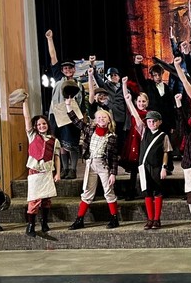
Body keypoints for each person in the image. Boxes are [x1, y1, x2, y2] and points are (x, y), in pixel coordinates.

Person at [65, 97, 120, 230]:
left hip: (103, 166)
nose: (101, 119)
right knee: (87, 192)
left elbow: (113, 157)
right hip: (91, 165)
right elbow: (76, 121)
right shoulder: (90, 130)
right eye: (99, 117)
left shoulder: (112, 137)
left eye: (104, 117)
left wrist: (113, 173)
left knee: (108, 191)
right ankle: (79, 219)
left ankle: (114, 218)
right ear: (95, 120)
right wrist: (68, 106)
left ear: (109, 120)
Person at [125, 91, 169, 230]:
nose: (151, 123)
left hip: (157, 167)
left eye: (154, 121)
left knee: (158, 192)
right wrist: (129, 102)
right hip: (144, 167)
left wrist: (164, 167)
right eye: (149, 121)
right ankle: (150, 219)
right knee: (147, 192)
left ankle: (157, 219)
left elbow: (166, 152)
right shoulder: (144, 131)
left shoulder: (163, 136)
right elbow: (137, 118)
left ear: (159, 122)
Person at [21, 94, 61, 236]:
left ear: (47, 125)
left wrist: (58, 173)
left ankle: (44, 223)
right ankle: (31, 225)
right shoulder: (32, 136)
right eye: (39, 124)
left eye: (44, 124)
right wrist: (25, 102)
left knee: (46, 199)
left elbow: (57, 157)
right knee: (34, 199)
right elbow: (27, 118)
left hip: (47, 171)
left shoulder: (54, 140)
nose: (42, 126)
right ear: (35, 127)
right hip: (35, 171)